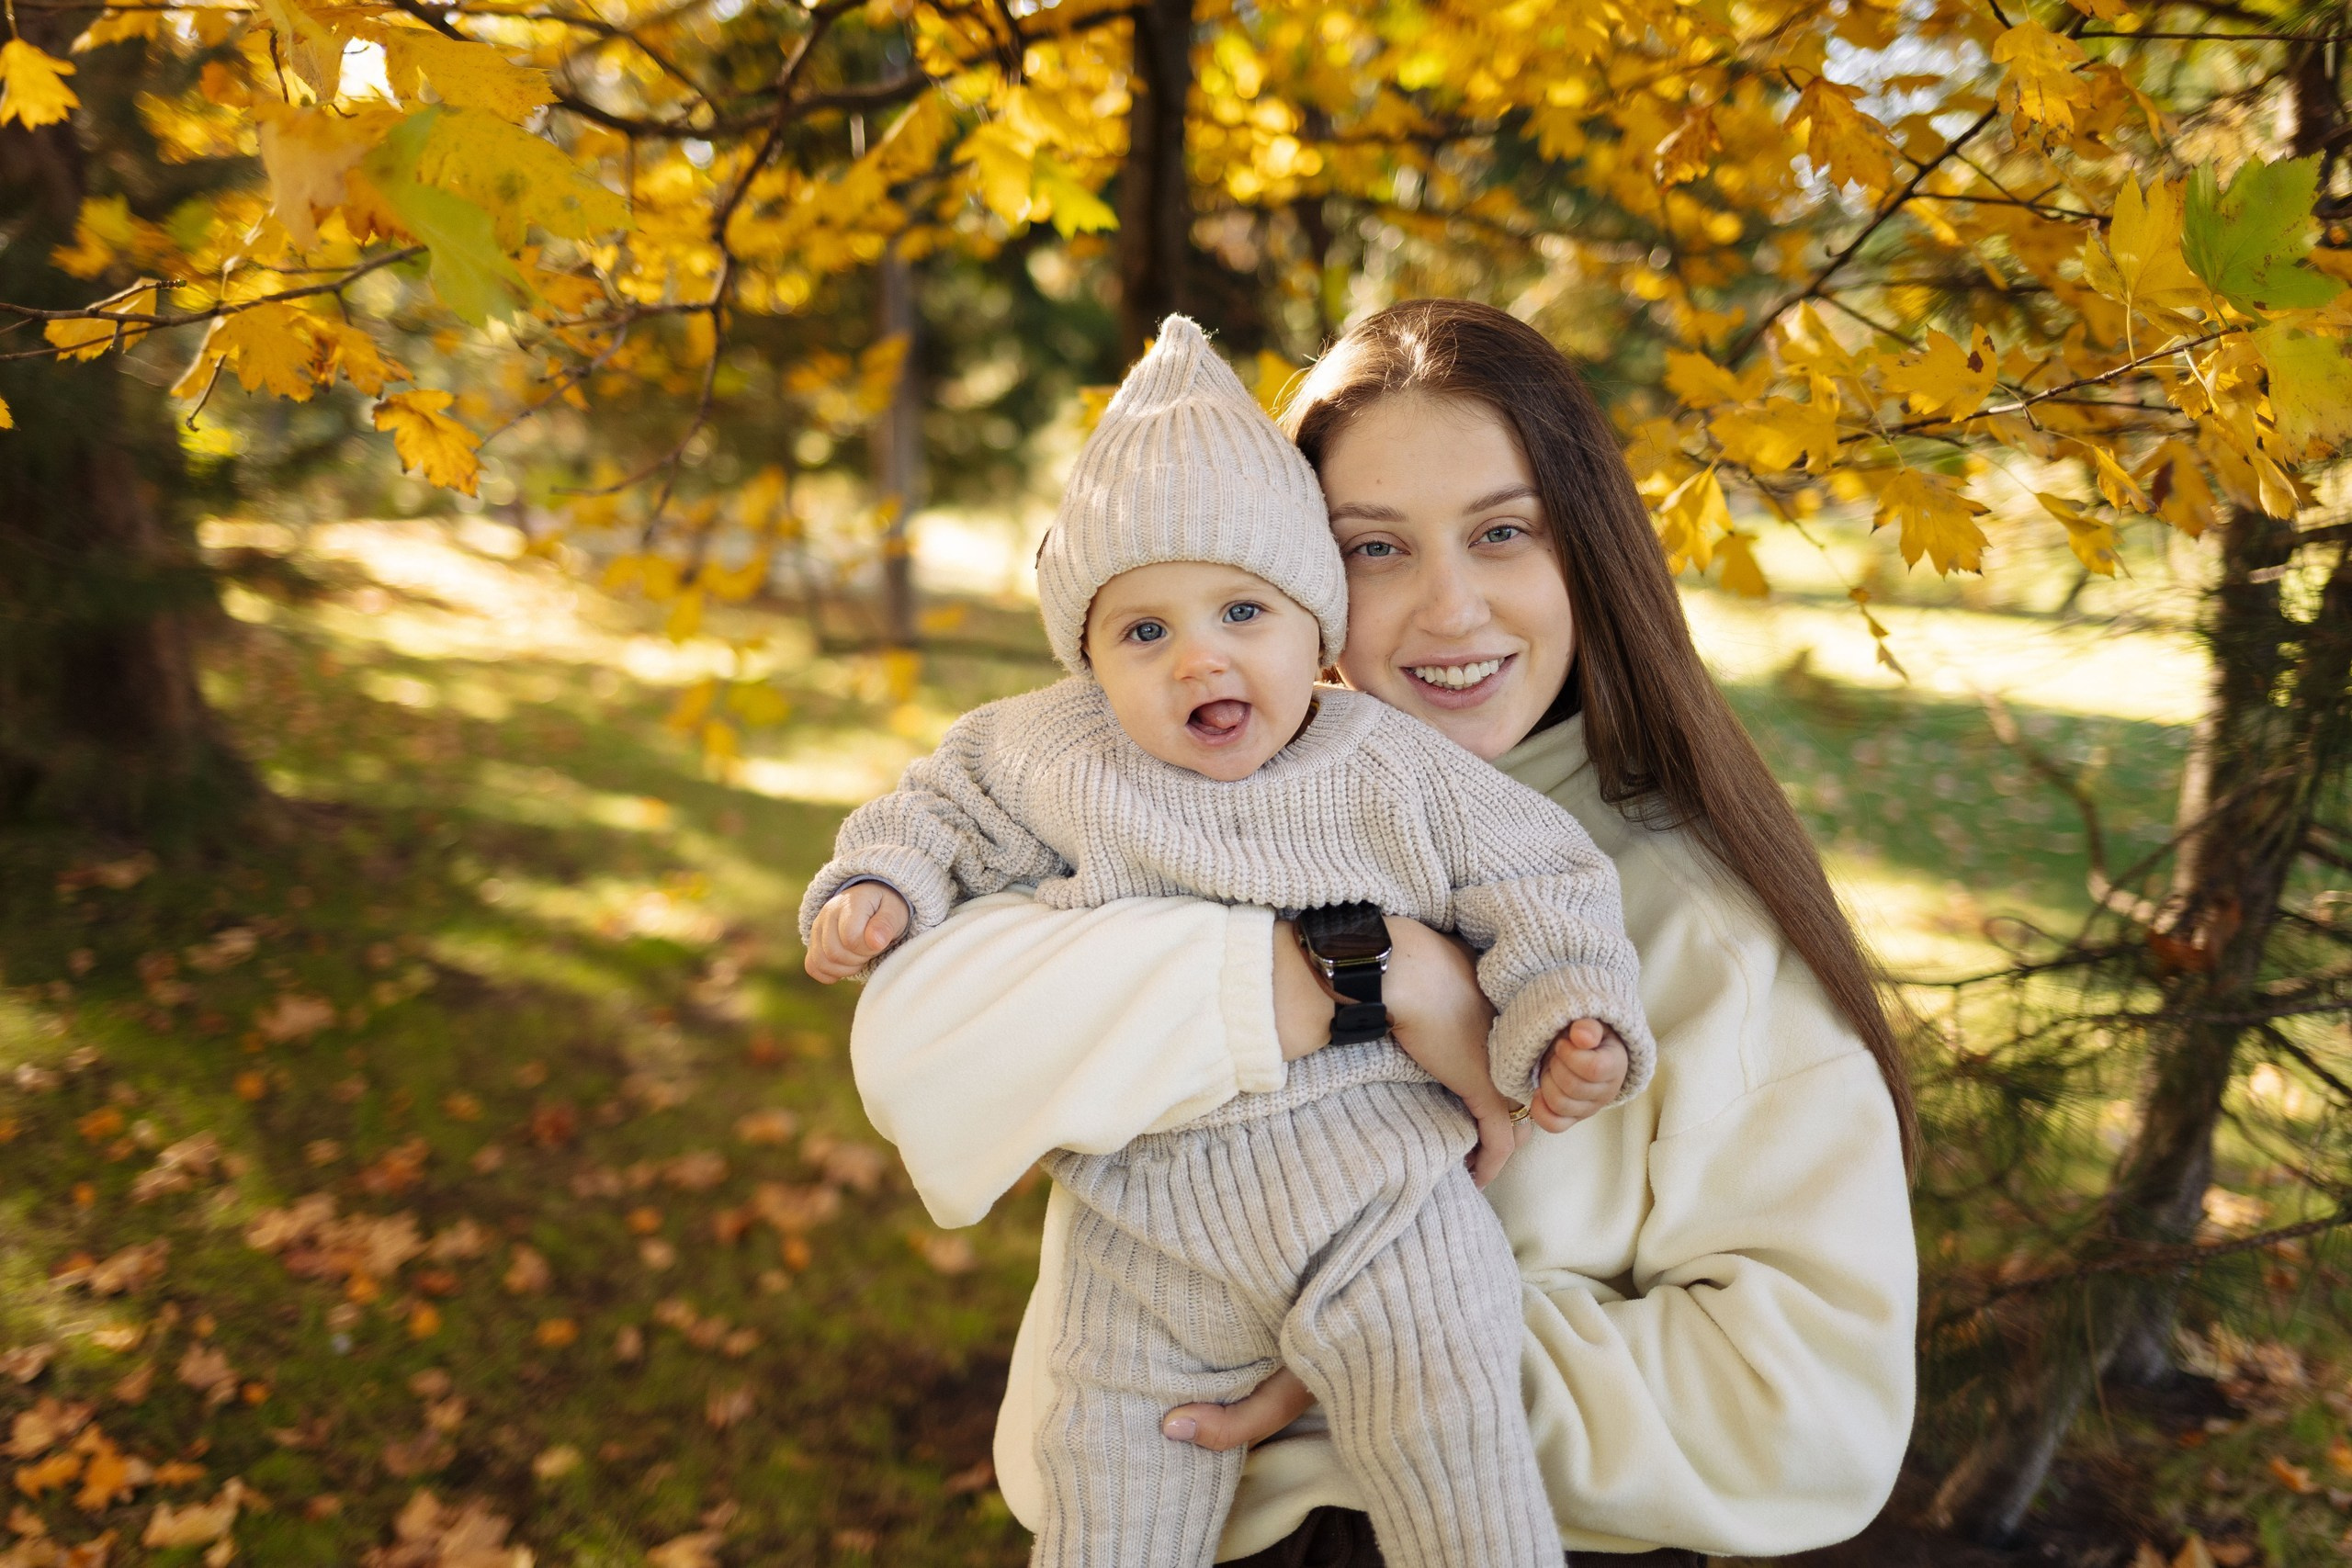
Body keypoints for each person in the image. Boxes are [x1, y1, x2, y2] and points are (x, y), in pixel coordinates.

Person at [845, 299, 1918, 1563]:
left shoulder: (1700, 926)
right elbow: (915, 1057)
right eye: (1376, 548)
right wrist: (1355, 975)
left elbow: (1812, 1415)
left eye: (1503, 532)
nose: (1449, 609)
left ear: (1585, 551)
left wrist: (1380, 1353)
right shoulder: (1160, 815)